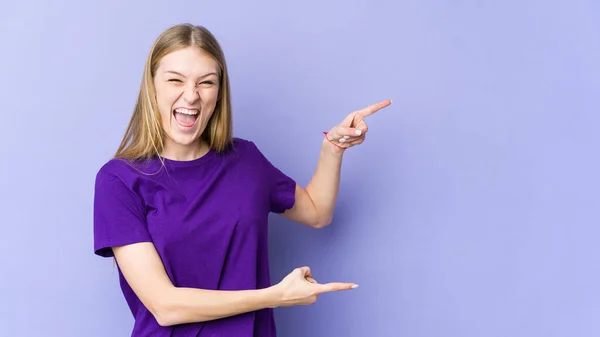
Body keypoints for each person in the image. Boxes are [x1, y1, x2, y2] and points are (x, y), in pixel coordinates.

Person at [93, 23, 391, 337]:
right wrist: (275, 296)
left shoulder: (246, 160)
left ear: (219, 92)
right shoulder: (119, 181)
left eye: (206, 82)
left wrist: (333, 147)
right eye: (175, 80)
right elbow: (166, 307)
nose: (191, 95)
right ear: (152, 86)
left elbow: (317, 212)